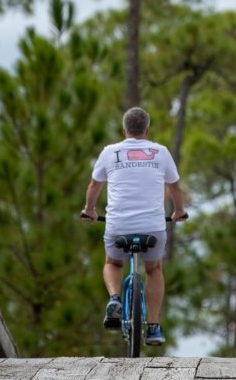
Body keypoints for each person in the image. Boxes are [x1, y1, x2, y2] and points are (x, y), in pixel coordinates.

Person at [80, 106, 187, 347]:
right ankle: (154, 327)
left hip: (118, 225)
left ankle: (115, 297)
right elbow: (176, 188)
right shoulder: (160, 152)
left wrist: (89, 210)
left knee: (113, 262)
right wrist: (179, 211)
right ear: (147, 129)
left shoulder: (110, 152)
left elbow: (94, 186)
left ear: (124, 129)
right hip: (153, 226)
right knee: (153, 270)